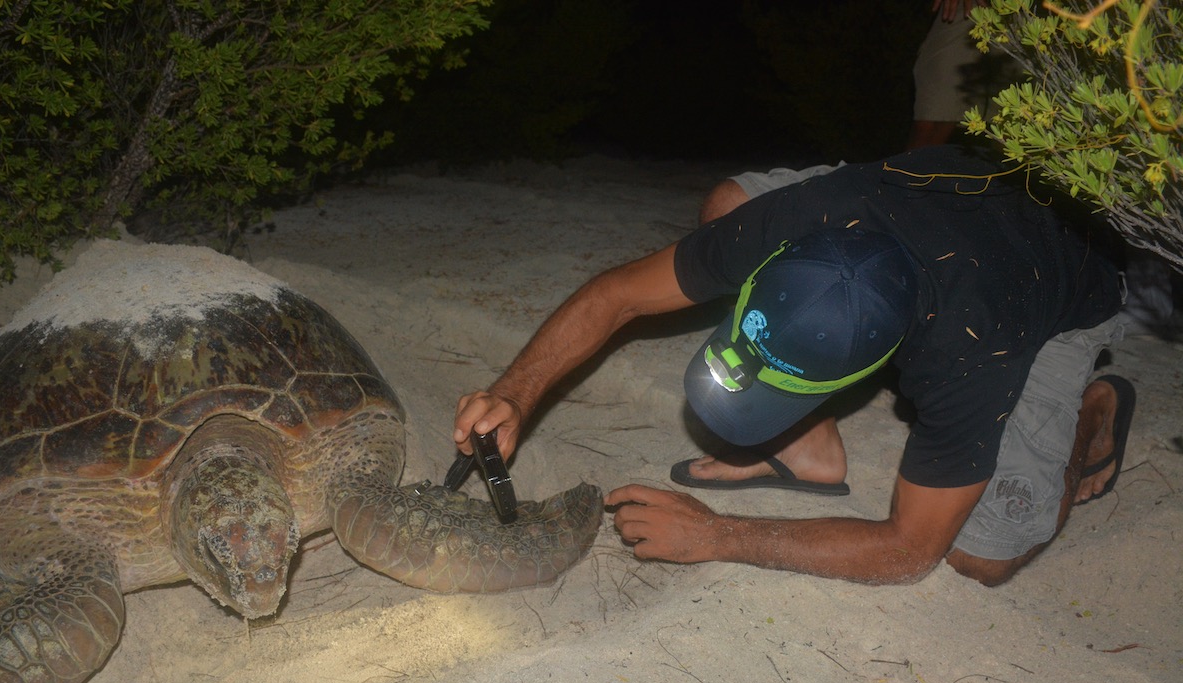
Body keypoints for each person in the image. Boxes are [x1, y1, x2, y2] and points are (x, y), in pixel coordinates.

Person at [453, 144, 1133, 587]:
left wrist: (716, 535)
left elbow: (908, 550)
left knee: (984, 554)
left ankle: (1095, 412)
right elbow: (619, 294)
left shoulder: (969, 354)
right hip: (931, 196)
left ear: (872, 373)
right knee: (727, 203)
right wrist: (515, 392)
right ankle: (812, 452)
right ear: (767, 275)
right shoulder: (798, 223)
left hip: (1054, 290)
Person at [908, 0, 1018, 149]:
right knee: (933, 116)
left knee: (1016, 121)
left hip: (1034, 13)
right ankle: (914, 170)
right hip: (970, 9)